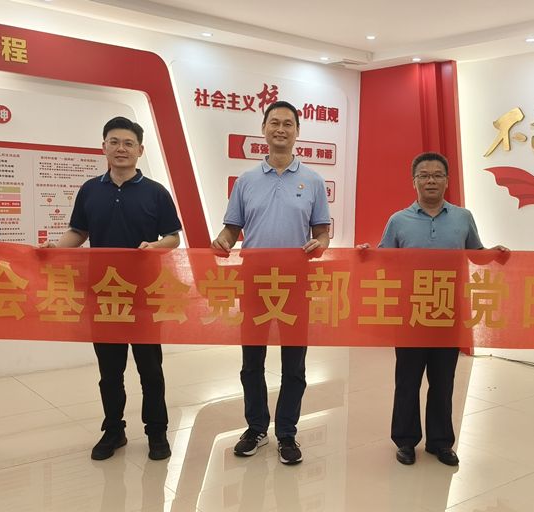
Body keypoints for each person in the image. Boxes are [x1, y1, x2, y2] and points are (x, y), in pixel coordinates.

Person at [43, 116, 181, 461]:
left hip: (145, 295)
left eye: (128, 143)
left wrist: (156, 246)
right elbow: (79, 232)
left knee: (150, 370)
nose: (121, 149)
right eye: (115, 142)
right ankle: (114, 430)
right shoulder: (90, 190)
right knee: (109, 371)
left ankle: (157, 431)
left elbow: (173, 237)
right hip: (104, 294)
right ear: (103, 146)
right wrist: (54, 251)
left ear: (140, 150)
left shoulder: (156, 192)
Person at [359, 151, 507, 467]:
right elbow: (384, 259)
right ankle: (405, 440)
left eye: (437, 175)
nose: (431, 181)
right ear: (414, 181)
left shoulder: (463, 217)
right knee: (408, 380)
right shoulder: (398, 220)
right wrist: (365, 253)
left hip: (448, 311)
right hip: (410, 313)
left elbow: (475, 253)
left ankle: (440, 442)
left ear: (447, 181)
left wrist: (494, 254)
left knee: (443, 381)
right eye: (424, 175)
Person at [212, 100, 331, 465]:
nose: (281, 129)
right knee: (252, 362)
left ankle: (287, 432)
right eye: (274, 122)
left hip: (296, 283)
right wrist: (222, 242)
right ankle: (256, 428)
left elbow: (322, 232)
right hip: (254, 282)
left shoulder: (313, 181)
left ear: (297, 132)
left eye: (288, 124)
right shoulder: (246, 181)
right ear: (263, 129)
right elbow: (231, 229)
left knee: (294, 364)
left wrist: (321, 243)